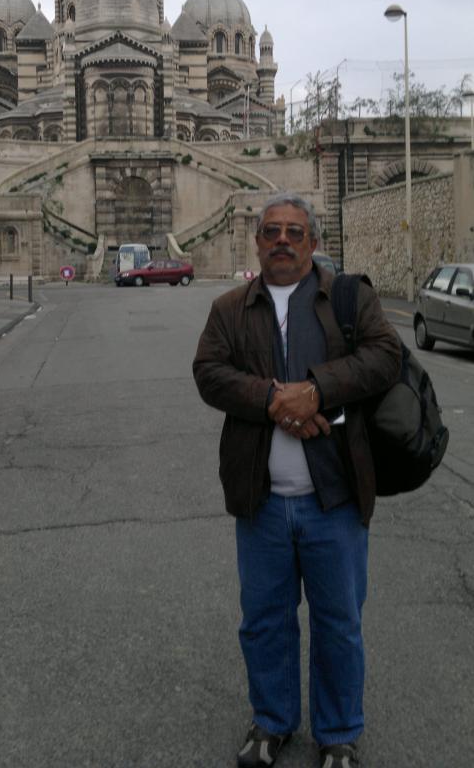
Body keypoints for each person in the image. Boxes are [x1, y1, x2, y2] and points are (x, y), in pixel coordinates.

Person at [192, 193, 401, 768]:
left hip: (332, 500)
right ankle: (273, 722)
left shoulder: (349, 298)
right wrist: (273, 400)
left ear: (312, 242)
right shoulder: (230, 308)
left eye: (294, 232)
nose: (282, 241)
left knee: (339, 625)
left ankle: (338, 734)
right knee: (264, 623)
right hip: (259, 501)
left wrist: (317, 389)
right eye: (271, 232)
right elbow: (209, 373)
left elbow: (387, 357)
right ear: (256, 242)